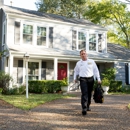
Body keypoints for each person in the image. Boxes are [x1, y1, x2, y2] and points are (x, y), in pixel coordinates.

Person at [74, 50, 101, 115]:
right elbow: (76, 71)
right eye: (82, 54)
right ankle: (84, 108)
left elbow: (96, 71)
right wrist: (75, 78)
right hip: (82, 79)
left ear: (87, 54)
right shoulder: (78, 63)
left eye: (84, 53)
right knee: (84, 93)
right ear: (80, 55)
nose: (83, 55)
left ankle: (88, 105)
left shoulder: (91, 62)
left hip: (91, 79)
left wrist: (98, 79)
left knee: (89, 93)